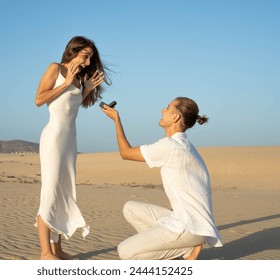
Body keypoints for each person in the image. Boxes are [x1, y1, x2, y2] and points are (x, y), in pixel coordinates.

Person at [101, 97, 223, 260]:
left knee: (125, 251)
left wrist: (116, 120)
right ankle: (180, 249)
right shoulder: (185, 146)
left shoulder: (170, 146)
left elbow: (126, 153)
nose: (162, 110)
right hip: (190, 222)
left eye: (167, 108)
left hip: (189, 227)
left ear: (175, 117)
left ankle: (182, 250)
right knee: (130, 208)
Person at [35, 36, 110, 260]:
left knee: (63, 193)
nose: (88, 62)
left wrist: (85, 89)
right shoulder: (55, 69)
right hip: (54, 137)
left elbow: (71, 105)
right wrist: (66, 83)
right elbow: (39, 100)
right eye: (85, 56)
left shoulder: (77, 78)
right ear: (73, 51)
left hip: (70, 140)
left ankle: (57, 250)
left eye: (90, 58)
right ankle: (45, 252)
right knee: (49, 192)